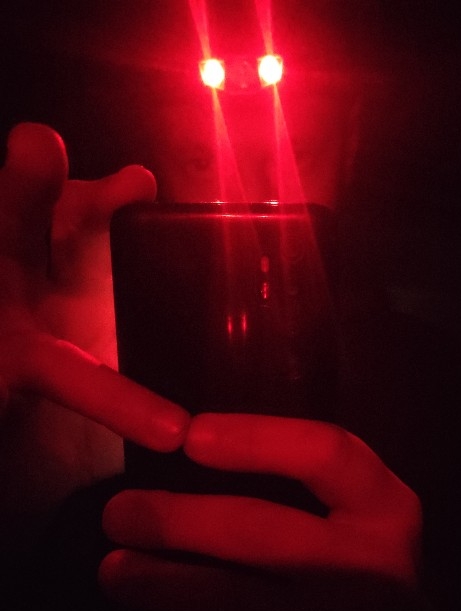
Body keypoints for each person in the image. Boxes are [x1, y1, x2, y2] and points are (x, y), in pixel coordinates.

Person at [0, 1, 458, 610]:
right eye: (201, 157)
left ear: (350, 143)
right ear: (159, 156)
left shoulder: (442, 383)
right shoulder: (104, 367)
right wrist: (19, 505)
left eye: (293, 150)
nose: (246, 193)